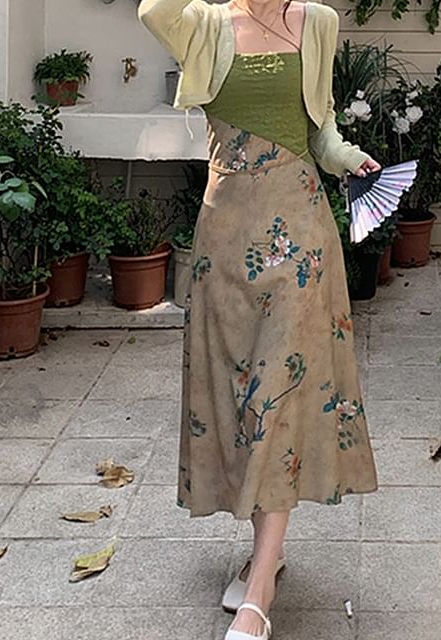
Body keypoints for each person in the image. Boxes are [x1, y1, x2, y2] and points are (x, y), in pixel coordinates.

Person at [138, 1, 380, 637]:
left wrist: (347, 157)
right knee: (238, 400)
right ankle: (264, 558)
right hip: (224, 241)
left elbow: (319, 132)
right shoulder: (205, 24)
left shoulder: (318, 22)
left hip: (300, 240)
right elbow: (152, 8)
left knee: (278, 399)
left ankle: (258, 597)